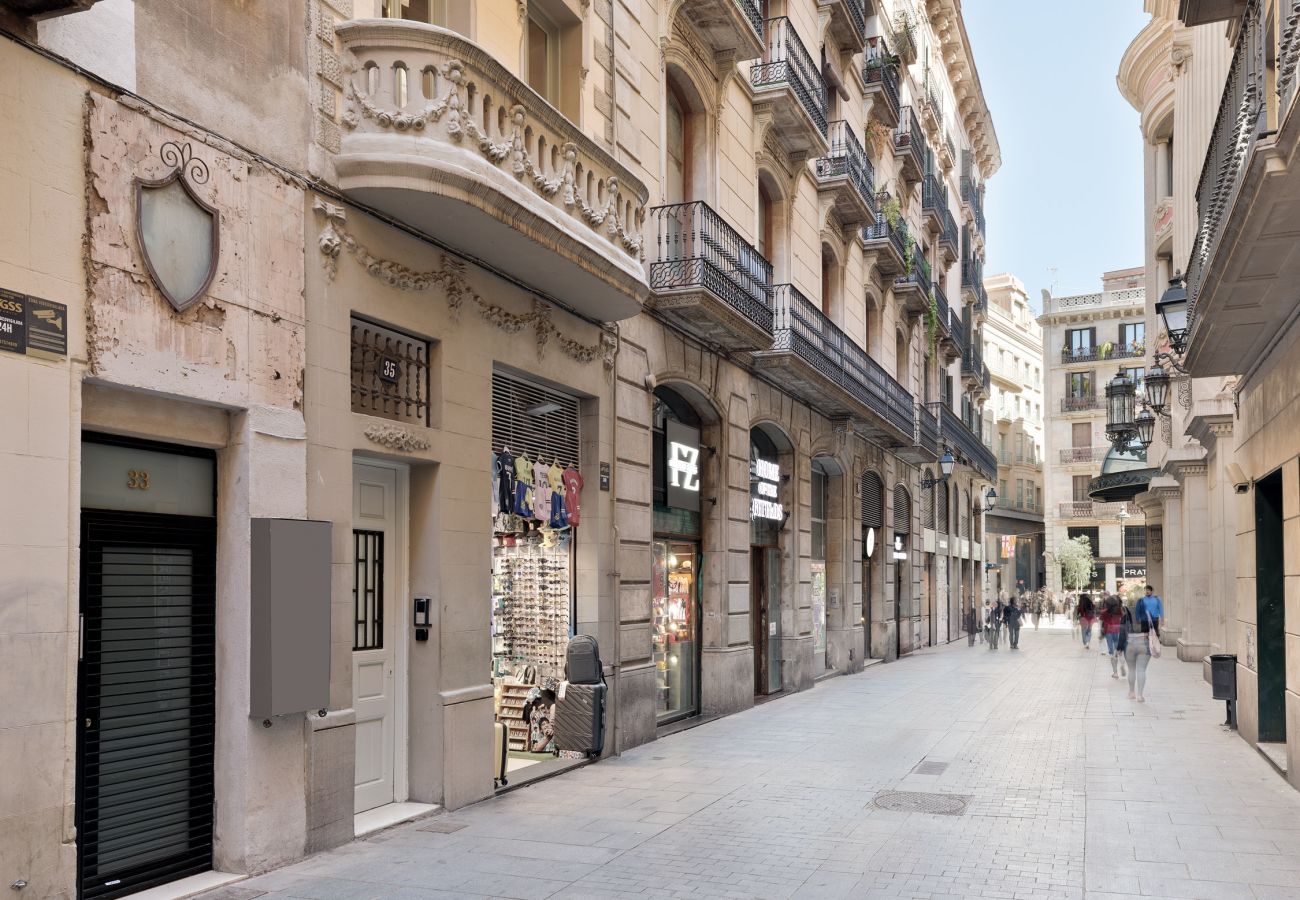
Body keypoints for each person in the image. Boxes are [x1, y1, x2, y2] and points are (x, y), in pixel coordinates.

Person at [1124, 586, 1162, 701]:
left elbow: (1122, 629)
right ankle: (1140, 695)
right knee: (1141, 670)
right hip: (1144, 642)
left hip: (1130, 643)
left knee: (1131, 670)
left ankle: (1131, 692)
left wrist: (1119, 648)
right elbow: (1155, 629)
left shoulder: (1126, 611)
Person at [1100, 595, 1127, 679]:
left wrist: (1102, 633)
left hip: (1109, 632)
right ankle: (1122, 665)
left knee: (1112, 653)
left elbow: (1102, 624)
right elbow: (1124, 620)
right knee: (1119, 651)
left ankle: (1115, 673)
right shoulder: (1120, 611)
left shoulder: (1104, 612)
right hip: (1118, 631)